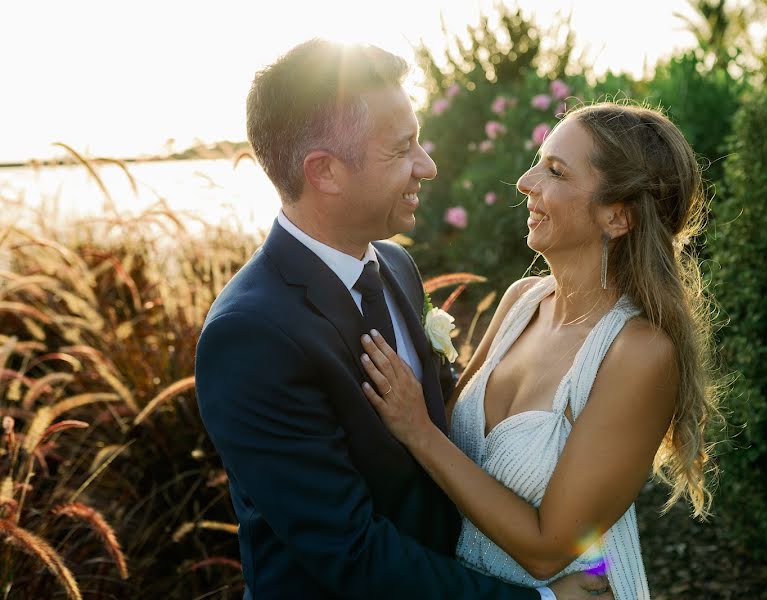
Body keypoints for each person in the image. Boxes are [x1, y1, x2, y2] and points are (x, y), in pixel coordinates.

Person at [194, 39, 610, 599]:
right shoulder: (250, 336)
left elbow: (445, 433)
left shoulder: (394, 266)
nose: (428, 166)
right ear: (326, 172)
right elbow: (350, 554)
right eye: (402, 149)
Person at [360, 102, 721, 600]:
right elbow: (450, 444)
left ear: (617, 216)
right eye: (538, 161)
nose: (526, 182)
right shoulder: (519, 302)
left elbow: (550, 548)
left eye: (555, 171)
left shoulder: (637, 353)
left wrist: (418, 431)